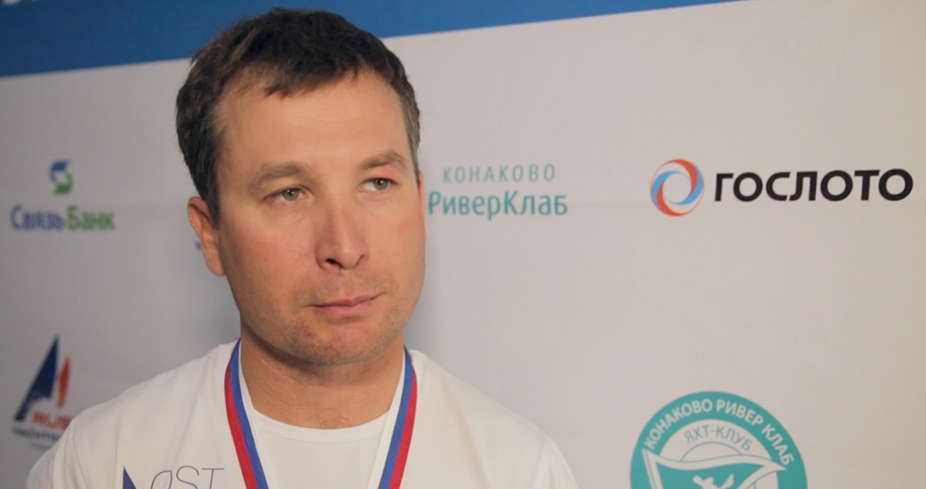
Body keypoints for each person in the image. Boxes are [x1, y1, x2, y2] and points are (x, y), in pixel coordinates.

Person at [28, 9, 577, 489]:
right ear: (211, 234)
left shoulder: (521, 472)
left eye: (377, 183)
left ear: (419, 199)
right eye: (289, 193)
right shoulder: (104, 463)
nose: (345, 246)